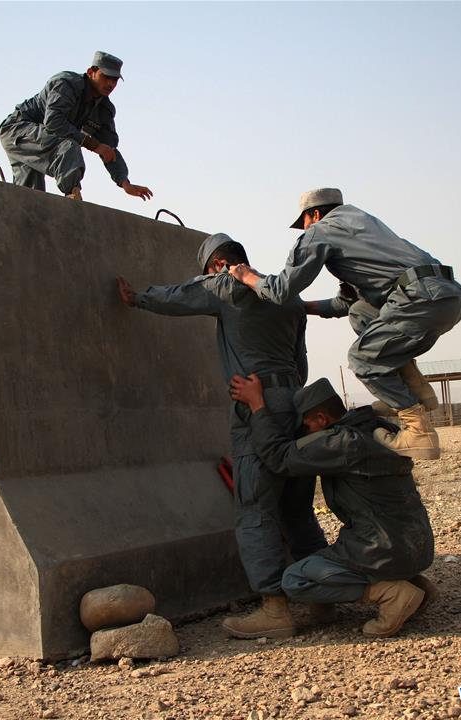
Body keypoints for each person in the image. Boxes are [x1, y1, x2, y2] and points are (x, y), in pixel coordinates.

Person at [117, 233, 328, 639]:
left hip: (255, 401)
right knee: (298, 509)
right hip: (296, 402)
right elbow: (300, 360)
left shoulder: (226, 284)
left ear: (216, 265)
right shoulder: (286, 296)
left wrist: (138, 298)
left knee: (255, 508)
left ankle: (274, 608)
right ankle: (322, 596)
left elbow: (179, 296)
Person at [229, 188, 461, 460]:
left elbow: (281, 289)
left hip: (419, 299)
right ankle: (415, 389)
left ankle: (418, 430)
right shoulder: (363, 225)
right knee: (361, 313)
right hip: (446, 296)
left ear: (314, 214)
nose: (303, 231)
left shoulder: (321, 230)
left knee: (362, 358)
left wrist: (247, 277)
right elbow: (347, 303)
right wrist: (303, 308)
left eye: (303, 224)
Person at [229, 373, 438, 638]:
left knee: (296, 580)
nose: (307, 433)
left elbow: (278, 456)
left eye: (308, 427)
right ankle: (415, 584)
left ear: (321, 419)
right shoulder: (374, 428)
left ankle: (391, 594)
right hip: (416, 545)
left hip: (380, 547)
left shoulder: (341, 443)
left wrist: (257, 405)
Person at [0, 51, 152, 202]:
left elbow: (109, 150)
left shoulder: (104, 109)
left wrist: (125, 183)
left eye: (115, 80)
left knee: (30, 200)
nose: (111, 84)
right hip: (17, 130)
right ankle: (73, 195)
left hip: (42, 141)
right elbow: (54, 122)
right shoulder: (67, 84)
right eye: (106, 77)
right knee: (68, 146)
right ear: (91, 72)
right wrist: (93, 144)